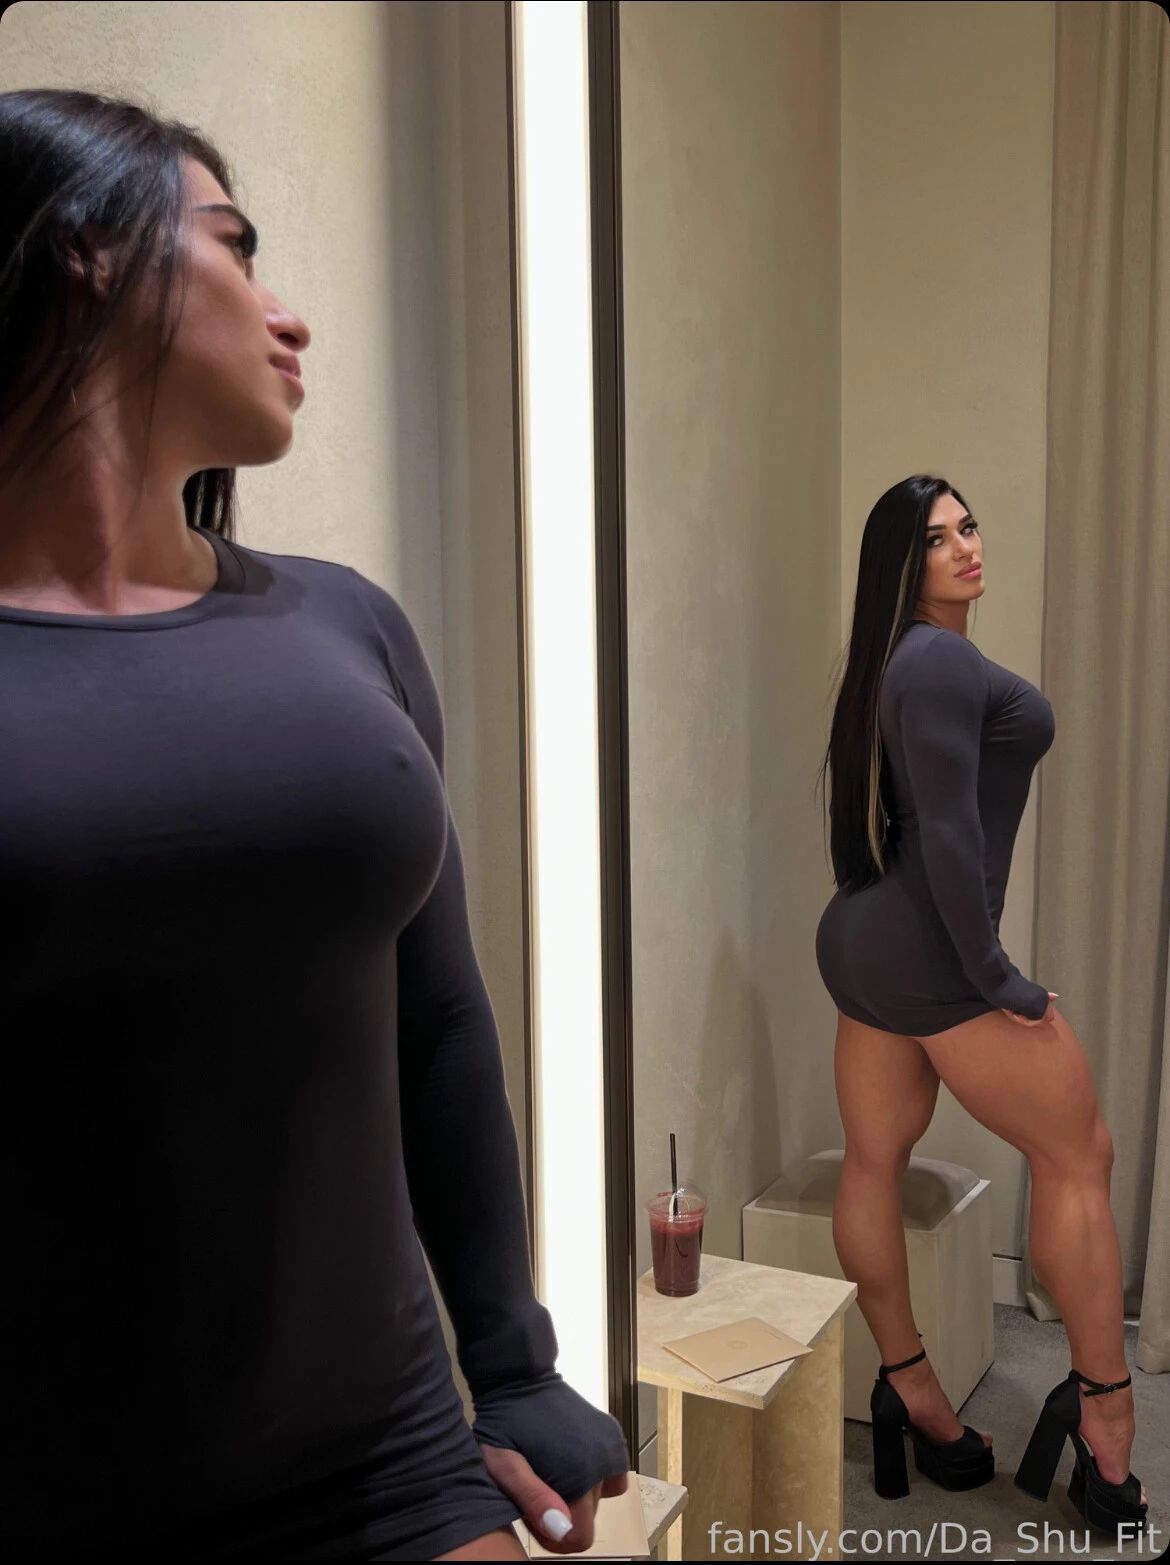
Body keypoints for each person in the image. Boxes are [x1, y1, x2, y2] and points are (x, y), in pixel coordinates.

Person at [0, 88, 629, 1562]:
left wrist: (513, 1365)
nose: (289, 316)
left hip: (383, 1457)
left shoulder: (348, 626)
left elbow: (440, 1014)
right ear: (88, 250)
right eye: (235, 247)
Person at [813, 475, 1148, 1537]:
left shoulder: (895, 660)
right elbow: (952, 840)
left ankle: (911, 1391)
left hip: (868, 942)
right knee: (1080, 1155)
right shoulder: (941, 661)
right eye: (936, 538)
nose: (965, 546)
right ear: (900, 563)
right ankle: (1107, 1425)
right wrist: (1000, 980)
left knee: (874, 1160)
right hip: (933, 955)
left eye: (968, 526)